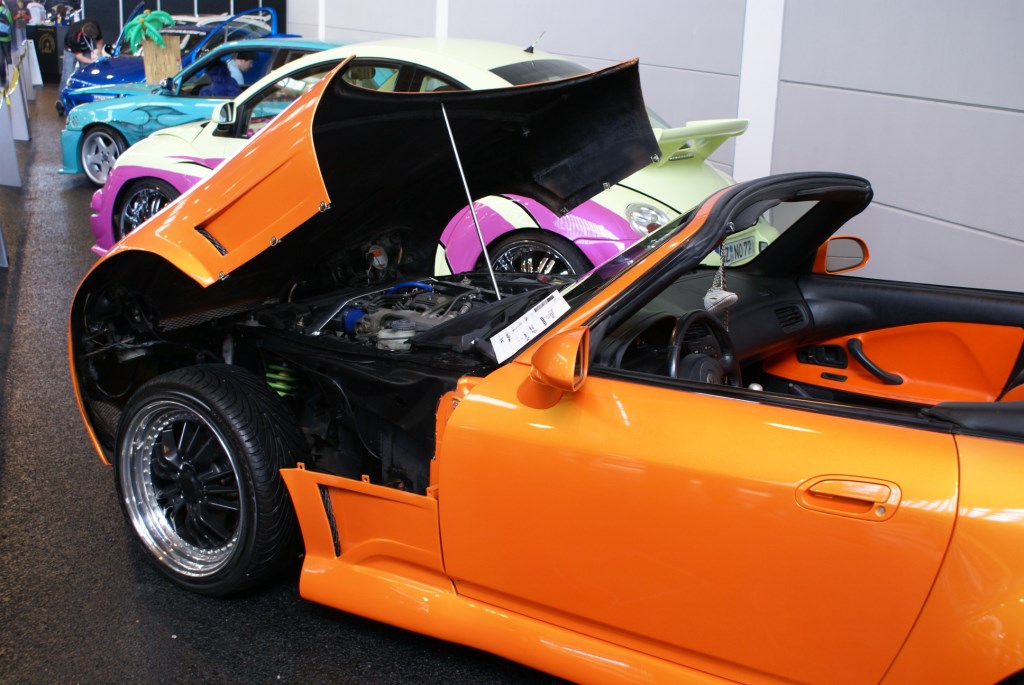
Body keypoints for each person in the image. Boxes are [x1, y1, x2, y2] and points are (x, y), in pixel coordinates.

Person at [61, 16, 101, 85]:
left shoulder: (95, 25)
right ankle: (64, 90)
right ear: (84, 34)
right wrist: (92, 61)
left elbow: (99, 40)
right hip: (71, 50)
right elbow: (79, 56)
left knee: (87, 72)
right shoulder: (73, 36)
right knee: (67, 75)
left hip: (85, 48)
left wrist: (99, 53)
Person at [0, 1, 13, 89]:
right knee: (8, 56)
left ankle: (3, 78)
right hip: (6, 37)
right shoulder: (6, 11)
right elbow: (11, 22)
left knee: (0, 59)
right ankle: (11, 76)